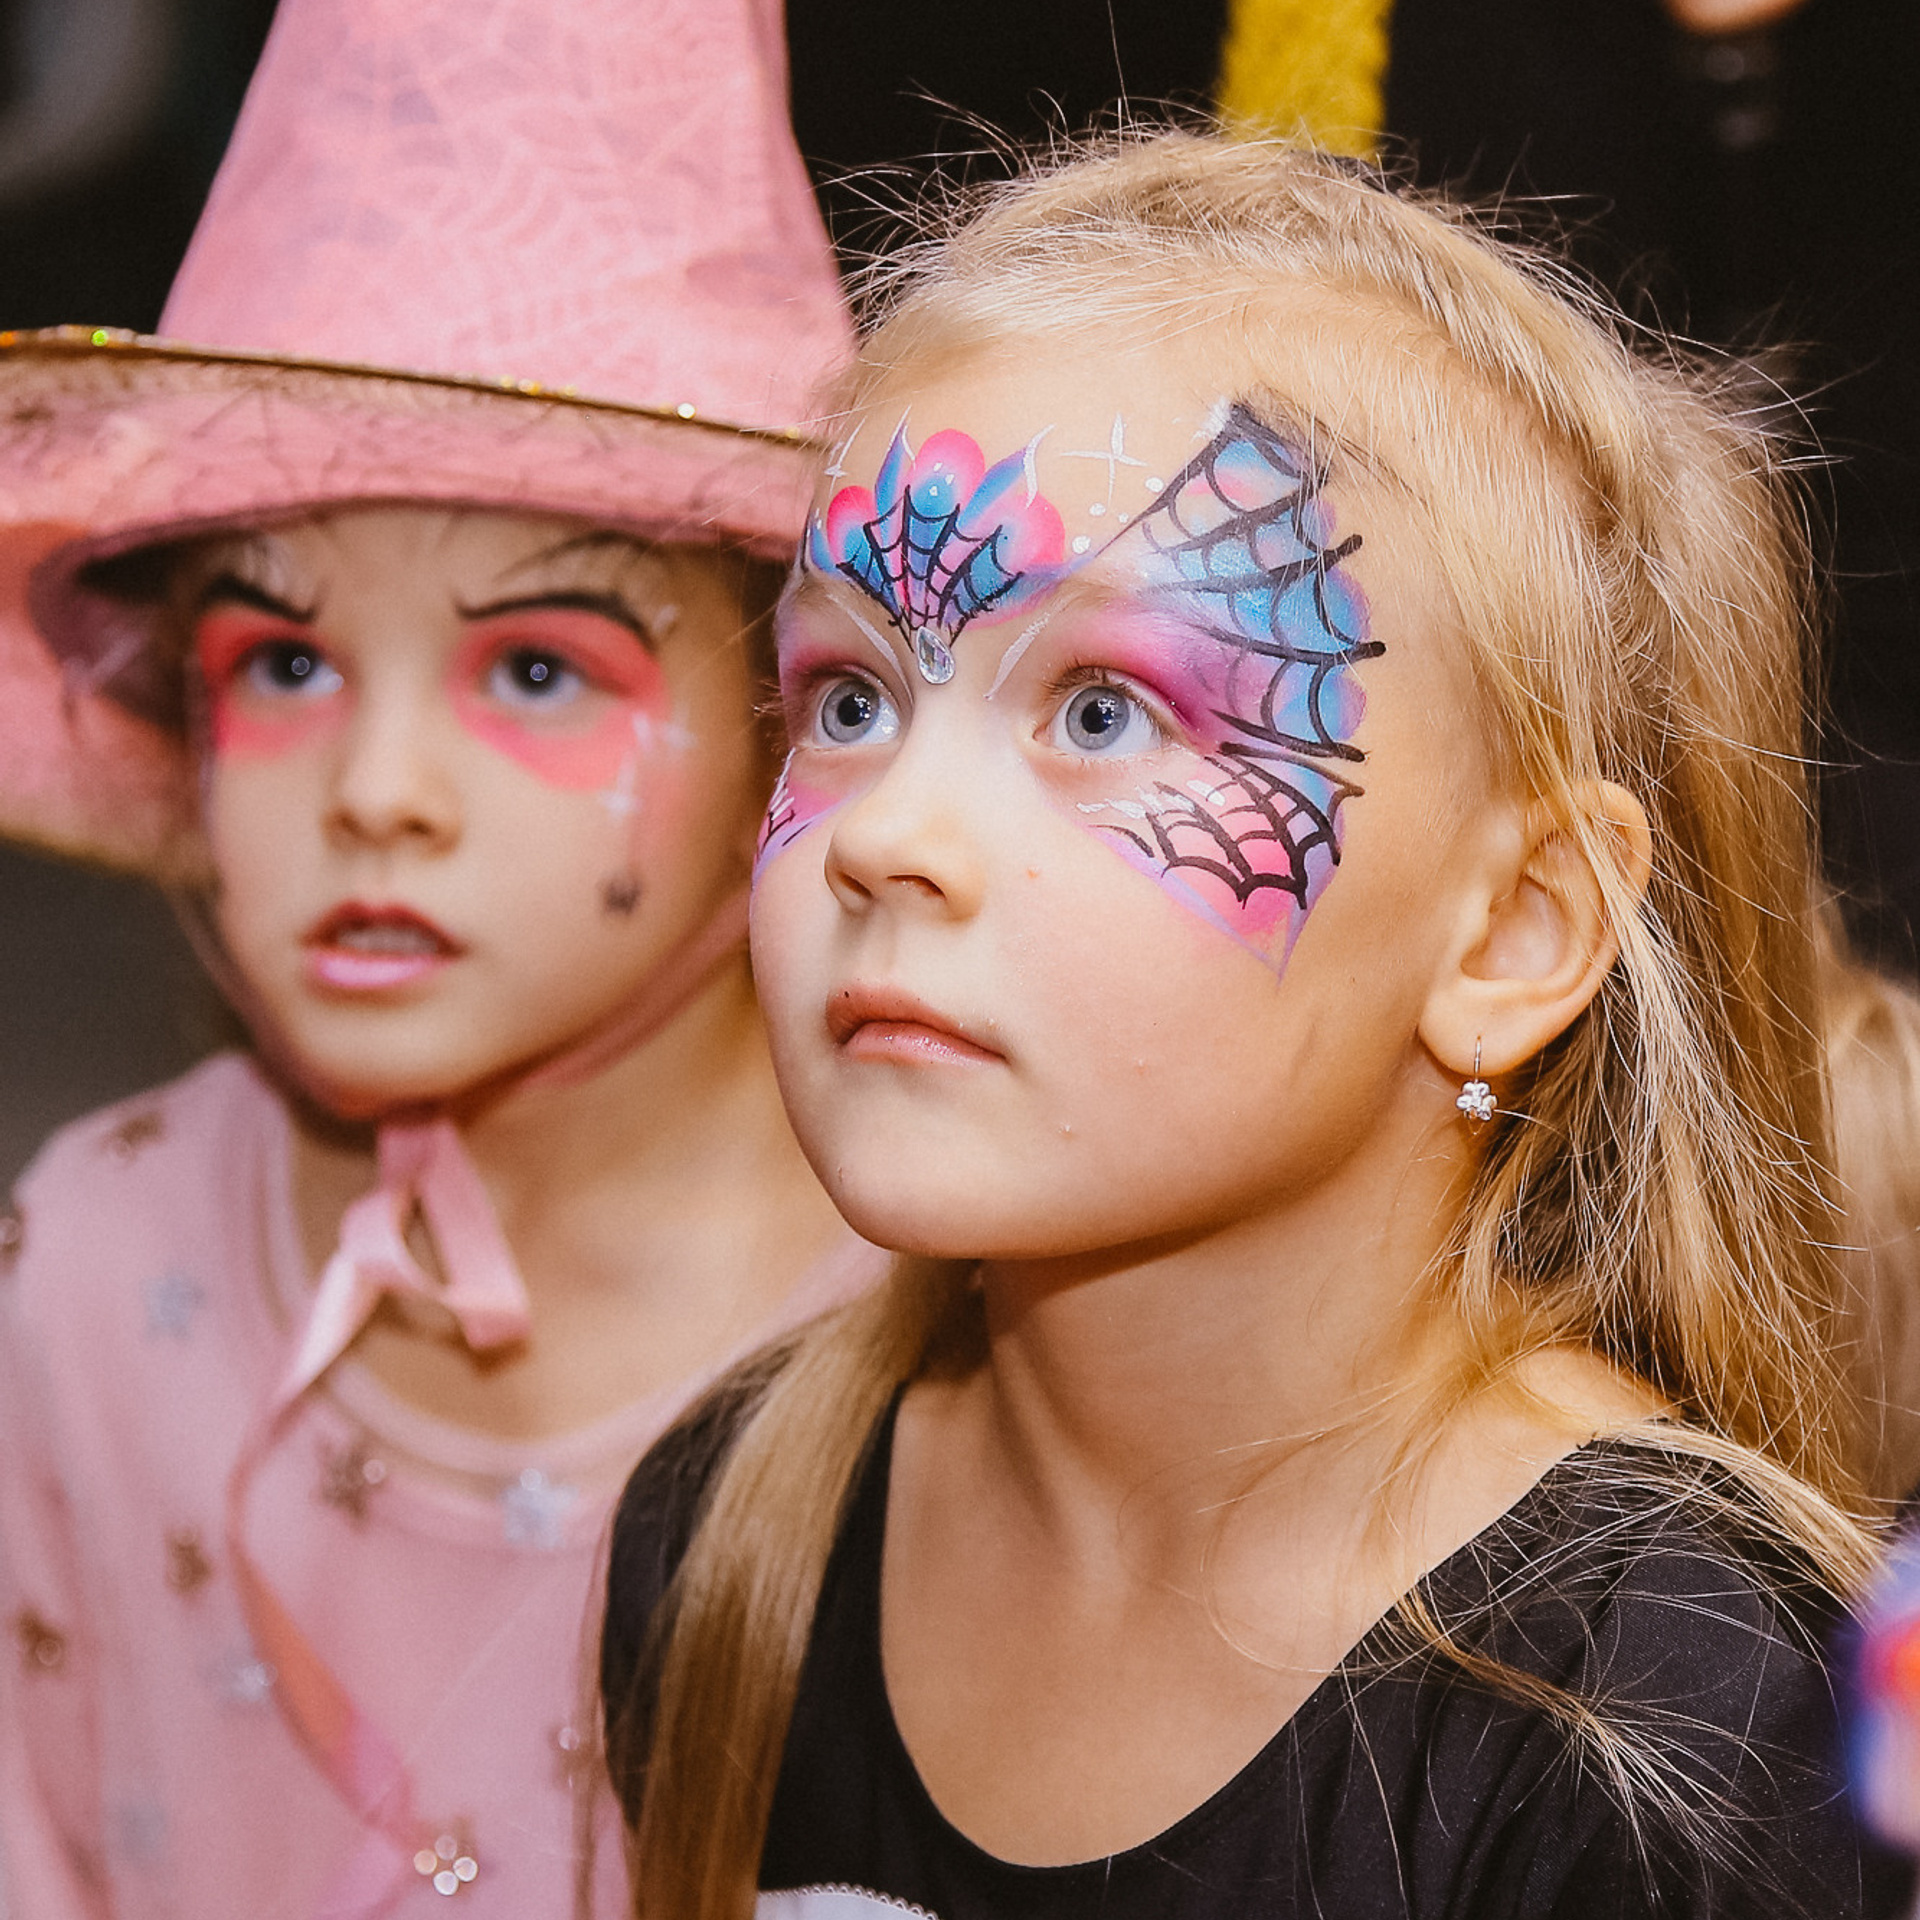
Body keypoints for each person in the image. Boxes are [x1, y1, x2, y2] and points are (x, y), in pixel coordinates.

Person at [602, 132, 1890, 1919]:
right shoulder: (738, 1531)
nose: (886, 835)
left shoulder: (1678, 1717)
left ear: (1513, 932)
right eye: (848, 698)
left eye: (1105, 711)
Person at [0, 0, 867, 1914]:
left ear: (790, 717)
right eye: (283, 660)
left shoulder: (955, 1340)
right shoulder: (82, 1274)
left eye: (538, 667)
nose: (378, 793)